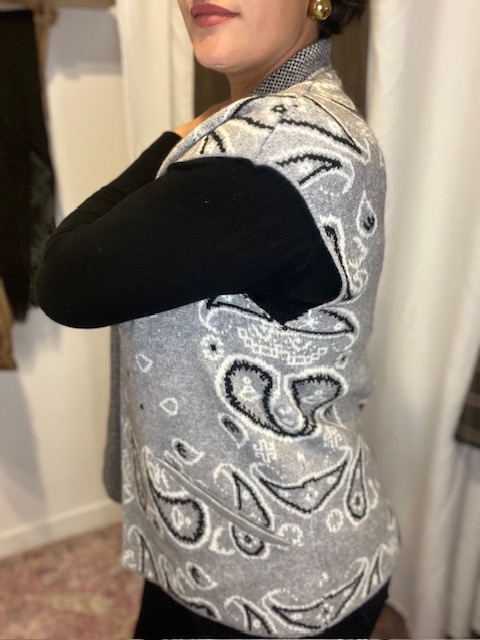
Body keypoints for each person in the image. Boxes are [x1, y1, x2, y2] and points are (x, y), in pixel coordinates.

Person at [36, 0, 400, 637]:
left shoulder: (276, 147)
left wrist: (175, 136)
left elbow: (65, 279)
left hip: (270, 582)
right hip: (232, 553)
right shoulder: (298, 120)